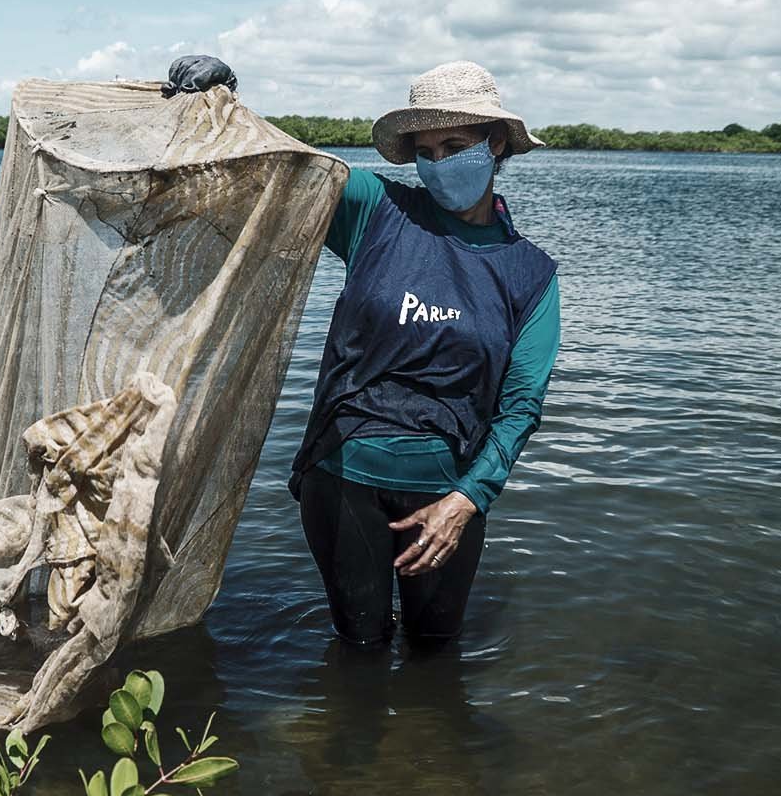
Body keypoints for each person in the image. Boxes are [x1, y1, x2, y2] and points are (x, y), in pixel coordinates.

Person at [165, 57, 561, 649]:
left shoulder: (529, 274)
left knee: (435, 650)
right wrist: (221, 101)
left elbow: (521, 405)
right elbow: (278, 165)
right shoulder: (377, 210)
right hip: (342, 476)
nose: (439, 163)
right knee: (358, 647)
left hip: (447, 492)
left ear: (495, 142)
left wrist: (467, 499)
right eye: (425, 151)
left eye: (455, 144)